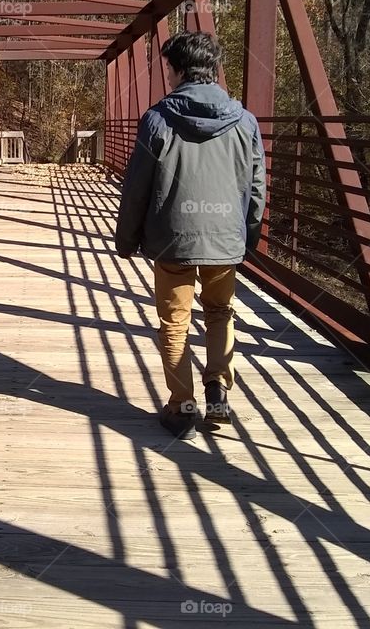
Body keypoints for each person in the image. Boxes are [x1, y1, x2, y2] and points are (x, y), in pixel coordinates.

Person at [114, 31, 266, 440]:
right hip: (223, 237)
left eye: (168, 68)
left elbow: (137, 186)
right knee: (220, 312)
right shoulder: (245, 121)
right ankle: (217, 392)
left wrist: (126, 238)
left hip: (172, 238)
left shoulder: (158, 119)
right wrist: (247, 236)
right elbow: (256, 187)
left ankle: (181, 408)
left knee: (175, 321)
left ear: (179, 70)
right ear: (213, 69)